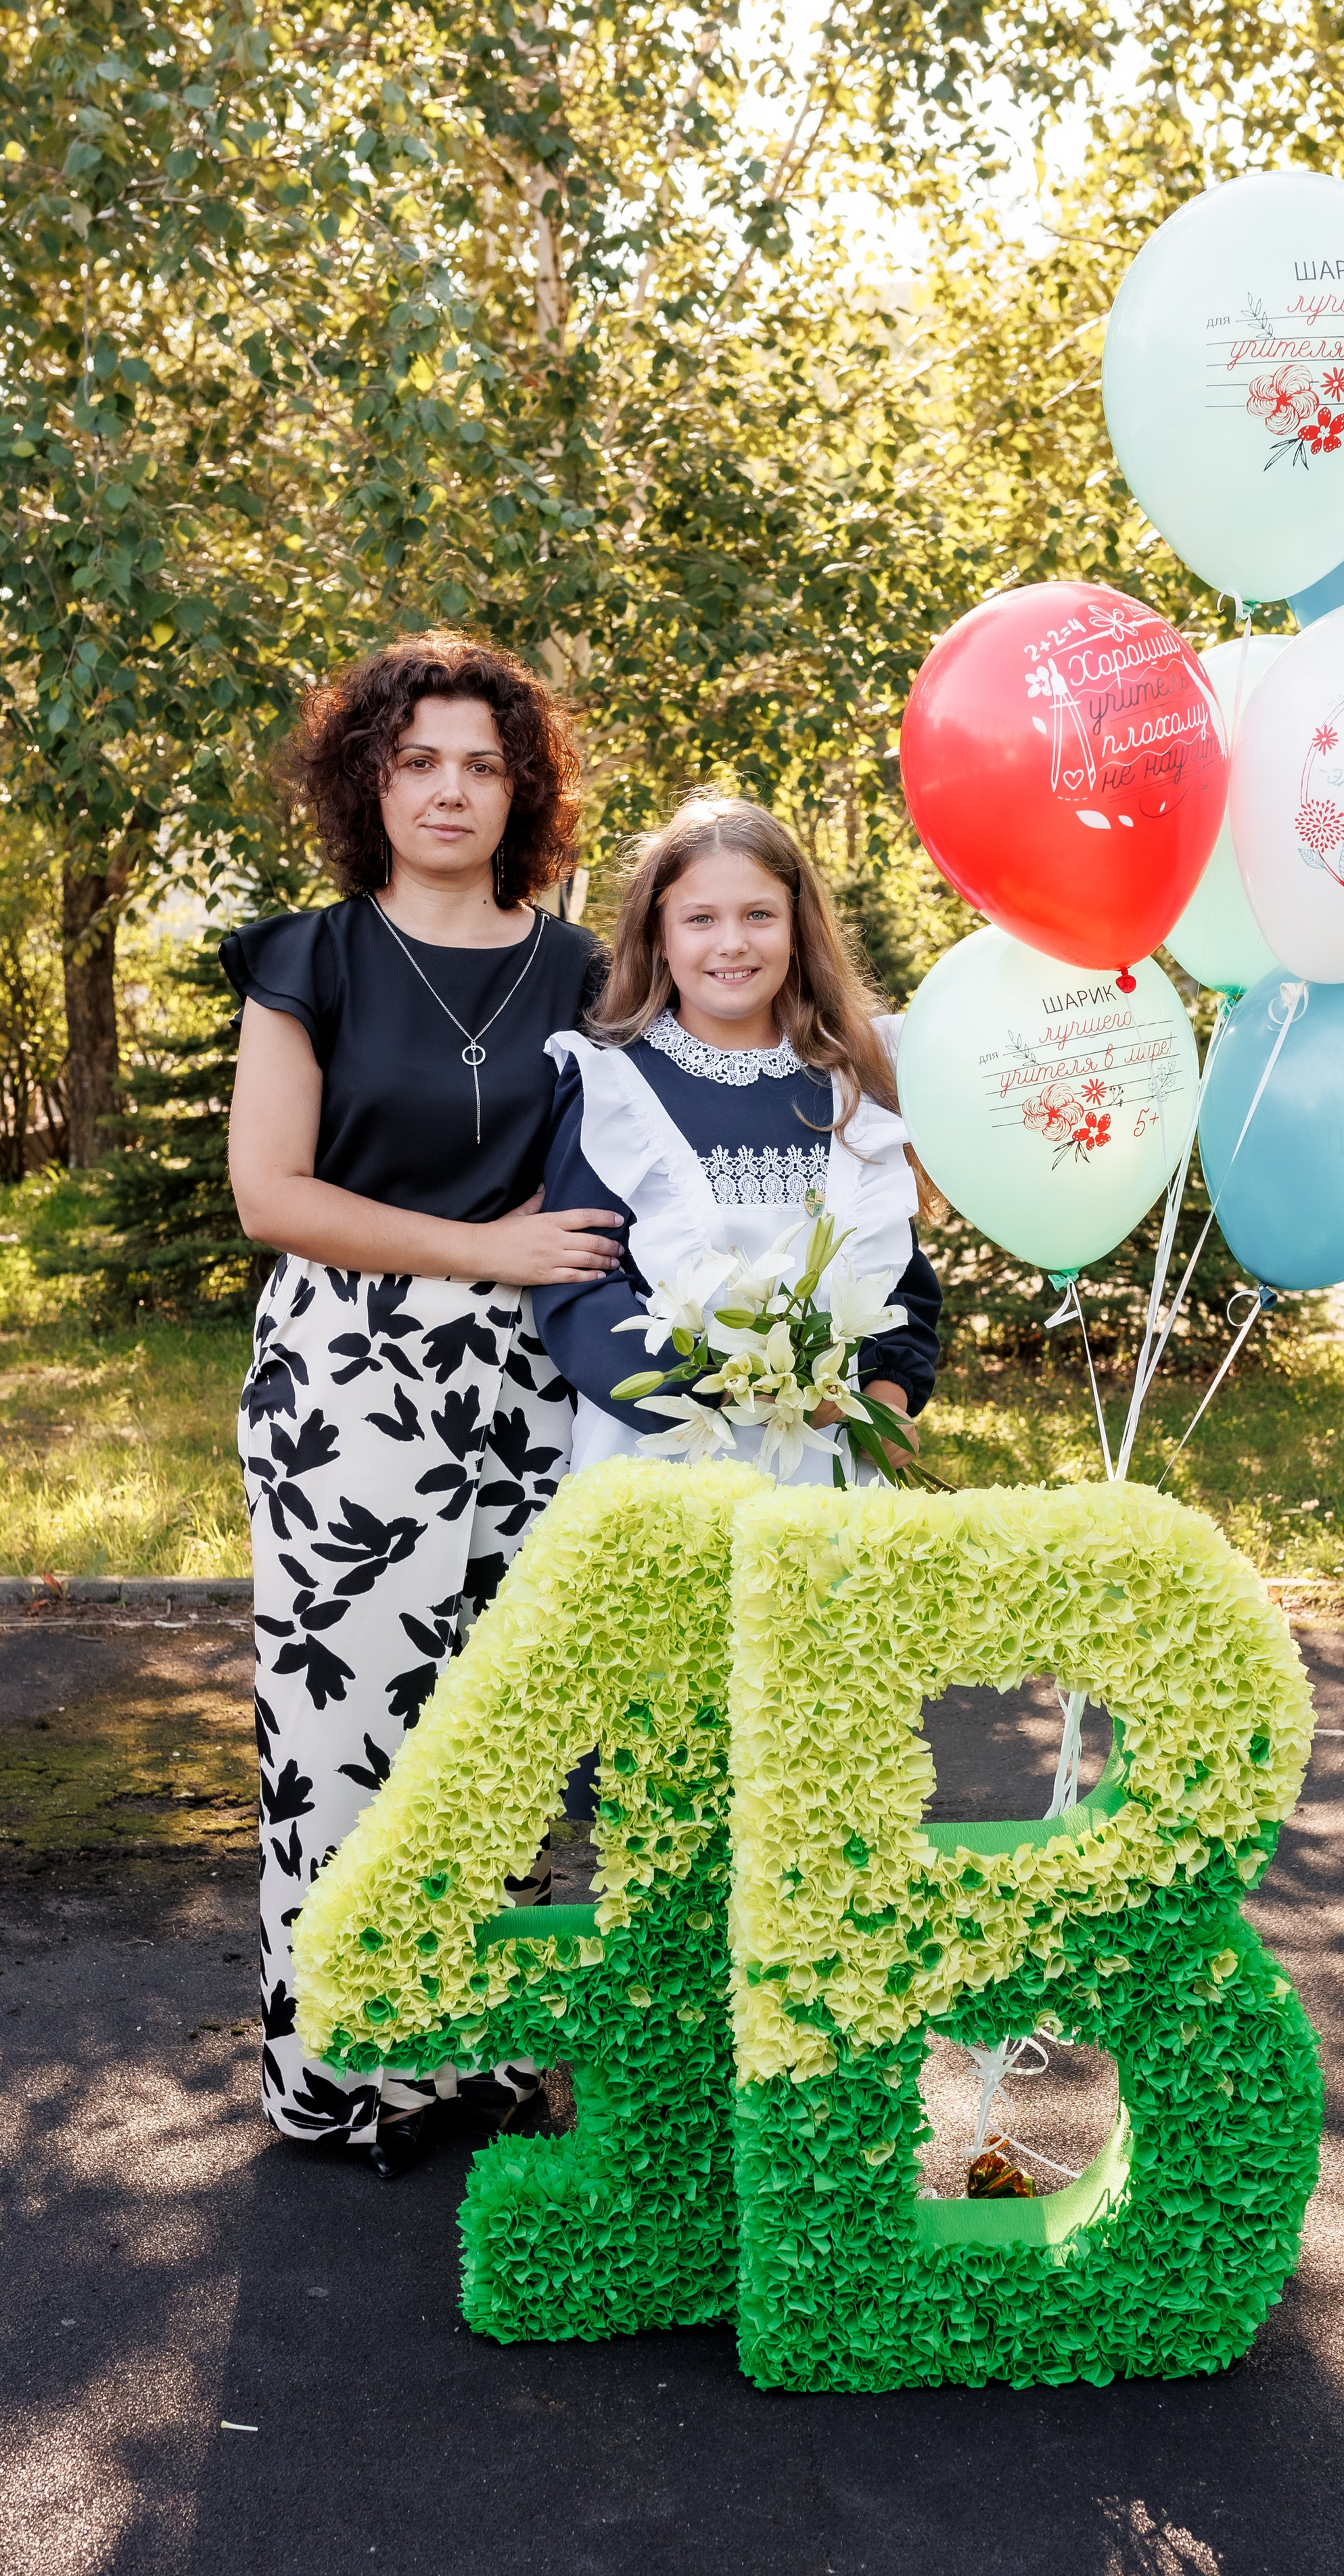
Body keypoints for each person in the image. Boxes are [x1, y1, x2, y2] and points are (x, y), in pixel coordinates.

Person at [223, 632, 624, 2177]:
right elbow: (272, 1193)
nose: (449, 789)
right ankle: (341, 2073)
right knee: (341, 1731)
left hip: (537, 1379)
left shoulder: (588, 972)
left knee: (503, 1725)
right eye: (419, 761)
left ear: (518, 787)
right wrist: (480, 1246)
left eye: (480, 762)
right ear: (369, 778)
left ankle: (484, 2054)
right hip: (345, 1381)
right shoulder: (304, 959)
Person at [532, 793, 941, 1486]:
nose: (732, 943)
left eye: (758, 915)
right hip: (661, 1465)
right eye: (700, 919)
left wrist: (889, 1397)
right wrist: (733, 1396)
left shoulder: (853, 1082)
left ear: (796, 928)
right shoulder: (611, 1085)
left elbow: (895, 1274)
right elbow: (579, 1290)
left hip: (828, 1463)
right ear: (659, 935)